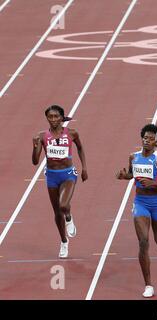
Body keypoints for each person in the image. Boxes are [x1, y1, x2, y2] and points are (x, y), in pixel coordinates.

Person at [116, 124, 157, 298]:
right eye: (145, 137)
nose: (147, 141)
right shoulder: (133, 157)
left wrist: (154, 183)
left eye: (151, 139)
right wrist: (123, 176)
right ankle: (148, 284)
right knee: (143, 242)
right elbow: (131, 174)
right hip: (140, 202)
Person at [32, 105, 88, 258]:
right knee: (57, 212)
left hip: (68, 174)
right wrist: (35, 146)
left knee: (64, 205)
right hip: (51, 175)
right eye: (50, 116)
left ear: (62, 118)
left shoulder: (72, 133)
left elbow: (81, 149)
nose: (53, 119)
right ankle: (64, 242)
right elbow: (35, 161)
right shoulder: (42, 136)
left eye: (56, 116)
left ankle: (69, 217)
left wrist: (84, 168)